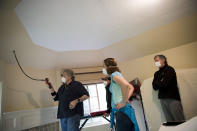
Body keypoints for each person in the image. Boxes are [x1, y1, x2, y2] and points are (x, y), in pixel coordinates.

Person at [102, 58, 140, 131]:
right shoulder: (118, 74)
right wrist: (125, 100)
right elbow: (131, 87)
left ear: (108, 66)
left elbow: (125, 86)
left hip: (122, 111)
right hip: (123, 111)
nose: (103, 69)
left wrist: (123, 102)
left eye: (104, 66)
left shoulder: (114, 75)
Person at [152, 55, 185, 122]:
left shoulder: (170, 69)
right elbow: (154, 87)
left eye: (157, 60)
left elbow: (165, 84)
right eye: (155, 61)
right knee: (170, 122)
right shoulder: (156, 74)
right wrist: (161, 81)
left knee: (180, 121)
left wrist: (159, 82)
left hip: (172, 98)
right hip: (162, 100)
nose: (156, 62)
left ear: (163, 60)